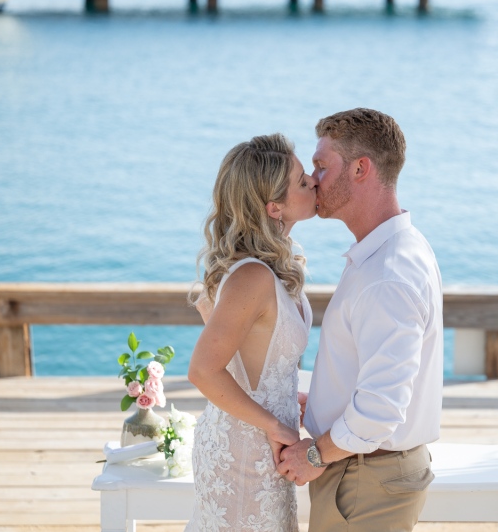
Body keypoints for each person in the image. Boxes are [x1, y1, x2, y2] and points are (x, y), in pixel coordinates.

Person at [277, 108, 444, 532]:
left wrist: (314, 454)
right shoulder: (394, 249)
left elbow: (380, 409)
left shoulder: (385, 276)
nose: (313, 180)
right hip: (365, 472)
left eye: (321, 166)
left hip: (365, 480)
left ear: (360, 168)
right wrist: (322, 398)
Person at [185, 133, 318, 532]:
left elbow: (253, 355)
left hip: (265, 445)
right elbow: (203, 371)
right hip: (244, 452)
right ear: (273, 206)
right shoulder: (254, 276)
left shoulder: (272, 264)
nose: (314, 180)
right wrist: (274, 423)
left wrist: (280, 393)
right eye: (301, 181)